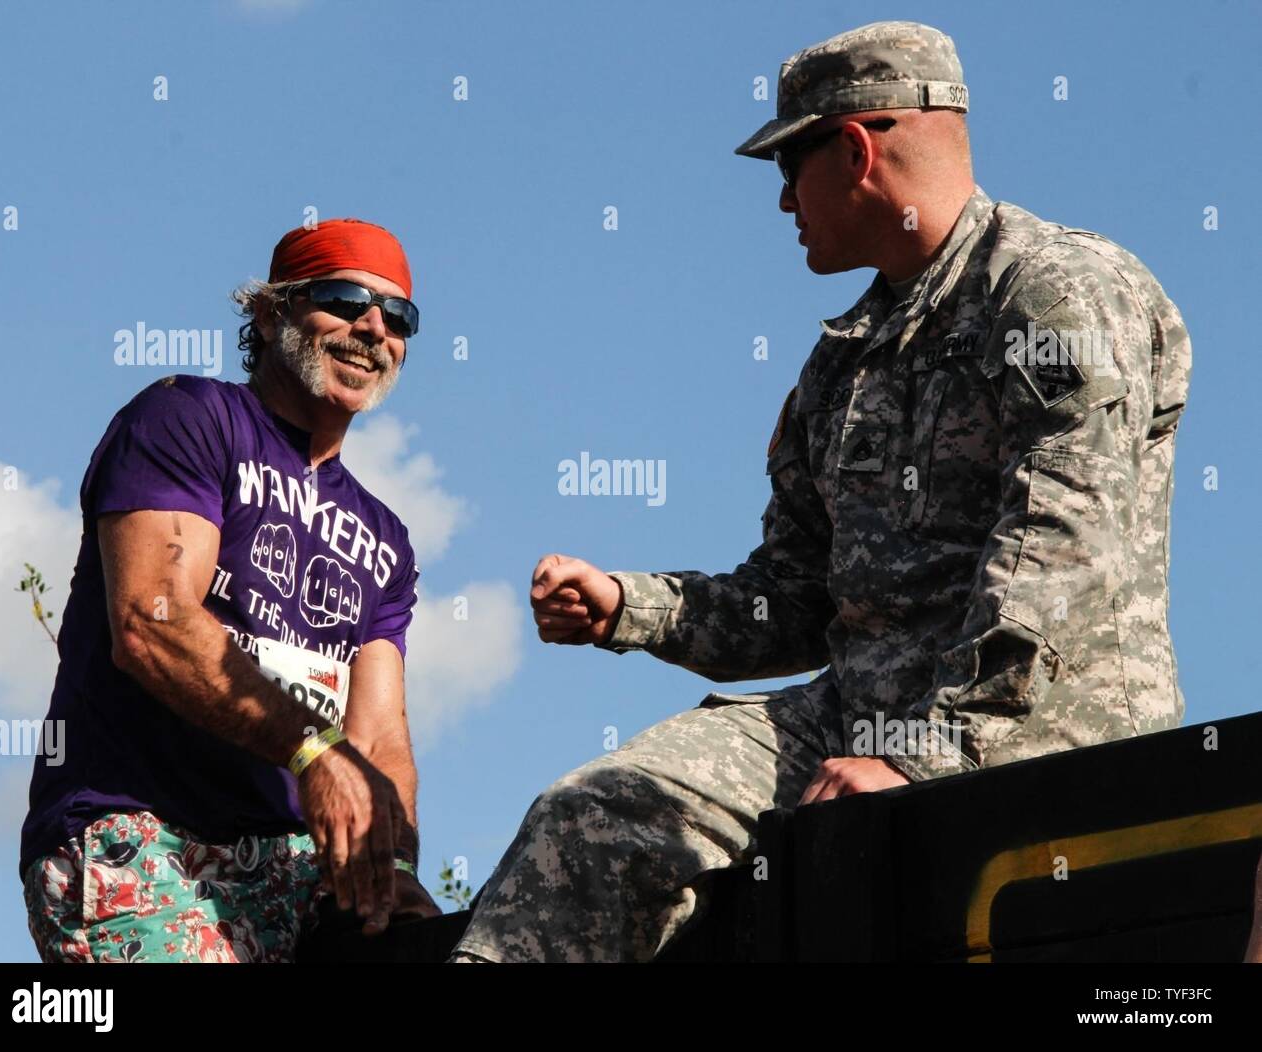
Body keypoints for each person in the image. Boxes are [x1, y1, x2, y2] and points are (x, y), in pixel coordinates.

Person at [450, 20, 1191, 962]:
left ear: (854, 150)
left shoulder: (1055, 293)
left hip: (1043, 728)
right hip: (853, 723)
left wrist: (918, 755)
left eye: (786, 169)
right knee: (596, 818)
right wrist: (629, 607)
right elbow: (797, 599)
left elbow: (1062, 553)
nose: (781, 202)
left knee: (862, 860)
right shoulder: (841, 365)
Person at [20, 217, 441, 963]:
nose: (373, 329)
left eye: (397, 316)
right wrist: (314, 754)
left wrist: (394, 865)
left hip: (292, 870)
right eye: (345, 300)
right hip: (141, 834)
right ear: (271, 311)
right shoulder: (190, 417)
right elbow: (153, 622)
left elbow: (378, 736)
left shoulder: (385, 538)